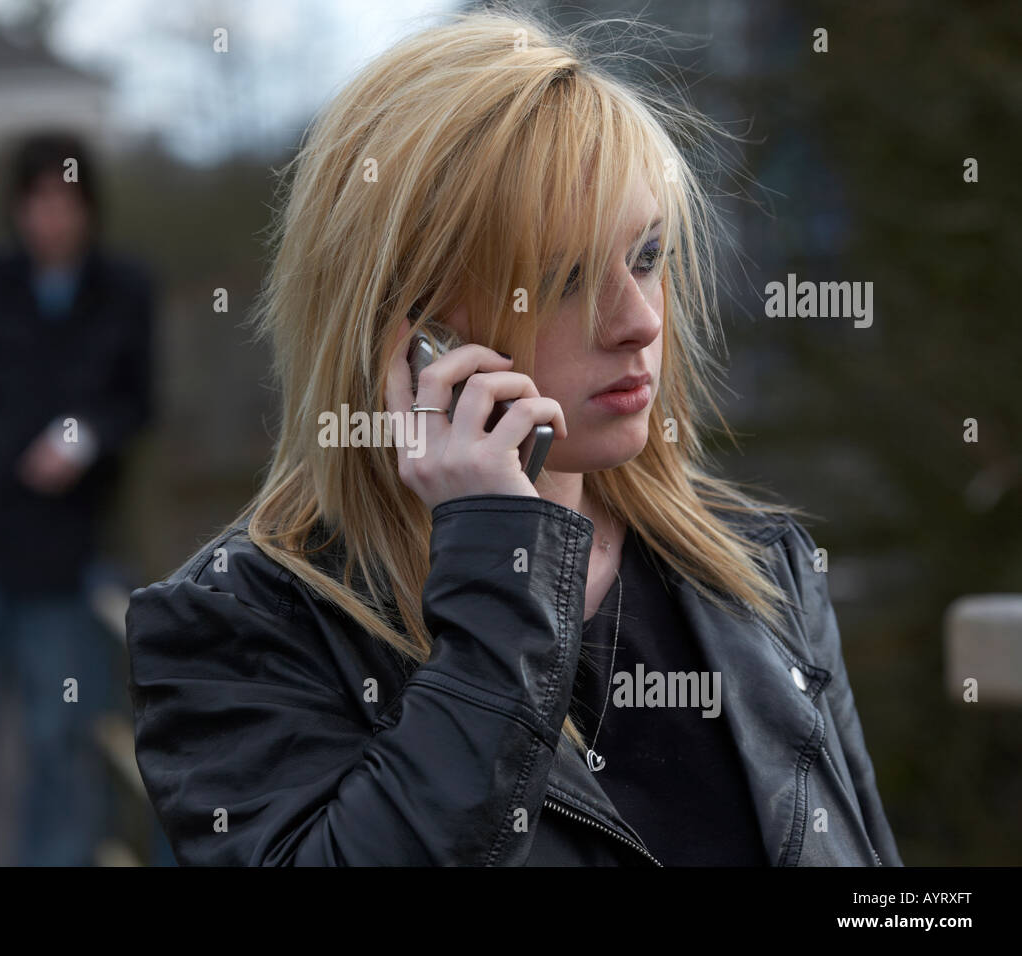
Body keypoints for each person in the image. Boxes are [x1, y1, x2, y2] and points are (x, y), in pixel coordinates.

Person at [125, 11, 901, 866]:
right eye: (564, 279)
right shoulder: (239, 627)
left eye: (646, 256)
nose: (640, 321)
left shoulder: (759, 574)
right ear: (415, 335)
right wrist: (499, 573)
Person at [0, 131, 157, 866]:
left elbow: (138, 403)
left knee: (63, 746)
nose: (51, 218)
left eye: (66, 201)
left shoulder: (124, 290)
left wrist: (84, 437)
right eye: (37, 200)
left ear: (90, 208)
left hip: (66, 556)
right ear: (17, 206)